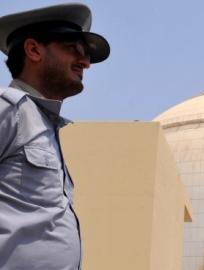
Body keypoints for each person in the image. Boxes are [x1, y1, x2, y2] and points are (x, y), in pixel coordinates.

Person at [0, 3, 109, 269]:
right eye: (73, 49)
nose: (85, 62)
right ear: (34, 50)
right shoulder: (8, 109)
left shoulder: (44, 124)